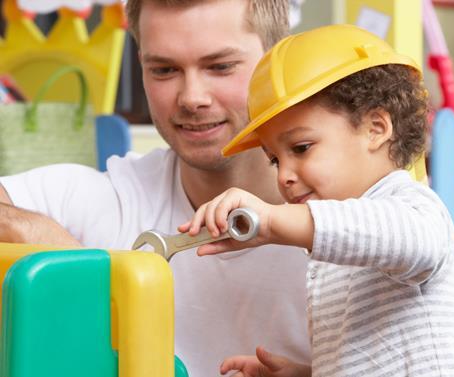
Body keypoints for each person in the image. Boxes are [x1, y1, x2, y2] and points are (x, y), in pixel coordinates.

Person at [0, 1, 311, 375]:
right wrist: (38, 235)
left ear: (277, 63)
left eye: (220, 66)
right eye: (164, 70)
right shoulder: (113, 195)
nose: (192, 97)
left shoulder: (361, 220)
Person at [181, 24, 454, 376]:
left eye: (301, 148)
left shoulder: (415, 208)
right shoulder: (335, 259)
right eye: (275, 159)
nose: (283, 175)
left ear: (376, 129)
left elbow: (405, 239)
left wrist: (272, 221)